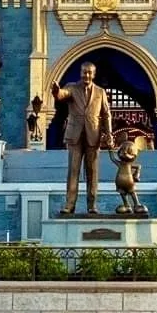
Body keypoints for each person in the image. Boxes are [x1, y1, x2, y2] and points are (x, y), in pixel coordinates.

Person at [51, 62, 113, 215]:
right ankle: (69, 205)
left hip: (94, 135)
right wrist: (56, 91)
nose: (87, 75)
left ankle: (92, 205)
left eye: (89, 73)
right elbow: (62, 94)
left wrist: (109, 134)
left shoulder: (100, 92)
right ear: (80, 73)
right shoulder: (72, 87)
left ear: (94, 74)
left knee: (92, 172)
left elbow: (106, 114)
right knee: (73, 171)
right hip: (75, 136)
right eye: (84, 72)